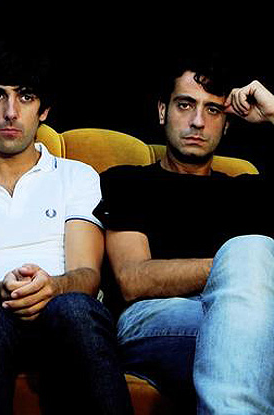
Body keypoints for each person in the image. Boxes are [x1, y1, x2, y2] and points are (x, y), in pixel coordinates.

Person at [0, 41, 134, 415]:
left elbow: (87, 276)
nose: (10, 112)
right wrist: (1, 290)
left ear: (44, 110)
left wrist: (52, 287)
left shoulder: (77, 176)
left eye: (25, 97)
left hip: (63, 319)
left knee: (74, 307)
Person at [95, 55, 274, 413]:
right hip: (153, 317)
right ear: (163, 111)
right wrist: (238, 269)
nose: (197, 121)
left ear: (227, 124)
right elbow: (133, 278)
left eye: (213, 110)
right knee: (251, 258)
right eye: (185, 105)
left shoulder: (246, 191)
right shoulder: (128, 181)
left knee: (246, 318)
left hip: (243, 314)